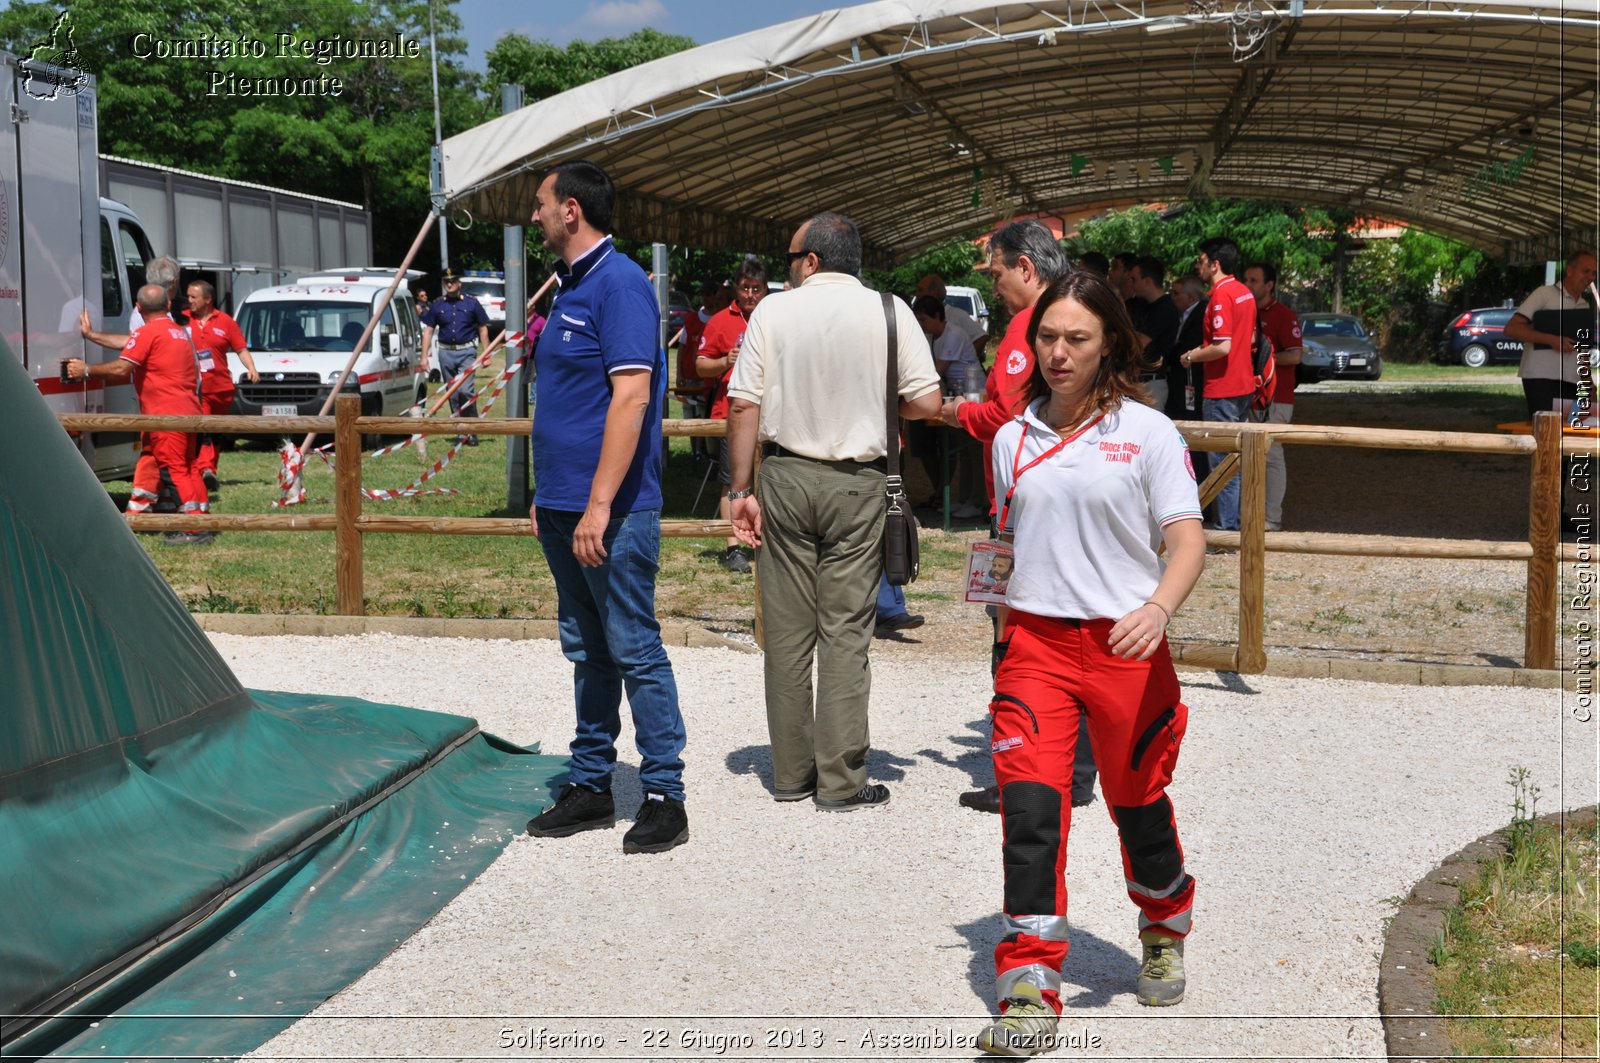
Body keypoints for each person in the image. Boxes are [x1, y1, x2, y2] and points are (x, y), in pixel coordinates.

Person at [975, 271, 1205, 1056]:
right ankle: (1029, 982)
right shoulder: (1011, 438)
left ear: (1109, 339)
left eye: (1077, 337)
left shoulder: (1148, 432)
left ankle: (1165, 924)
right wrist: (1003, 630)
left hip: (1126, 648)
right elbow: (1006, 546)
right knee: (1031, 814)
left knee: (1137, 802)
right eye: (1047, 337)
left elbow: (1186, 540)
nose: (1059, 352)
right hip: (1035, 648)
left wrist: (1158, 608)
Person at [724, 211, 941, 810]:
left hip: (785, 476)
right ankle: (841, 781)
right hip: (860, 483)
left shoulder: (772, 311)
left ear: (812, 261)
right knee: (845, 634)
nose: (788, 270)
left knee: (788, 635)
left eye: (792, 259)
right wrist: (875, 397)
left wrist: (740, 489)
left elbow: (743, 404)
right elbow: (926, 401)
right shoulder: (890, 311)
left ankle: (791, 776)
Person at [522, 160, 689, 855]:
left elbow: (632, 397)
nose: (533, 216)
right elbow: (570, 400)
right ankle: (592, 782)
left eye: (540, 204)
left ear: (571, 211)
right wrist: (547, 494)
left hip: (610, 512)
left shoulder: (619, 285)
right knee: (587, 646)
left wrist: (597, 503)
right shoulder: (572, 286)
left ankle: (663, 793)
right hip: (564, 505)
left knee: (632, 645)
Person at [939, 221, 1093, 816]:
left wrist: (954, 412)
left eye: (997, 273)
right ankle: (1074, 769)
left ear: (1026, 268)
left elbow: (1005, 416)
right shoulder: (1082, 315)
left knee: (1021, 639)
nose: (996, 285)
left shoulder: (1032, 326)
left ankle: (1028, 770)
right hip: (1070, 499)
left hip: (1028, 506)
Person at [67, 284, 212, 545]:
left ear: (138, 307)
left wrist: (86, 370)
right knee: (188, 468)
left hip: (165, 415)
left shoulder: (148, 333)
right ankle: (202, 520)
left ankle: (194, 529)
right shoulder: (177, 331)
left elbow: (123, 367)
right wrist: (92, 335)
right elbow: (130, 343)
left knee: (175, 471)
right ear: (167, 306)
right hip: (189, 410)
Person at [1178, 236, 1256, 532]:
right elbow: (1248, 339)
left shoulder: (1221, 296)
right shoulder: (1244, 293)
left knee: (1222, 463)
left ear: (1215, 263)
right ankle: (1235, 523)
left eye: (1201, 260)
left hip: (1222, 388)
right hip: (1243, 386)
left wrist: (1191, 355)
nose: (1198, 266)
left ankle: (1226, 528)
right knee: (1237, 461)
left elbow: (1222, 346)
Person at [697, 260, 767, 573]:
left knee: (768, 481)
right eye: (745, 288)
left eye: (756, 289)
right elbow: (700, 366)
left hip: (771, 414)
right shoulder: (719, 321)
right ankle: (733, 546)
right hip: (732, 413)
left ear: (765, 290)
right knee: (732, 482)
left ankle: (768, 541)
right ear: (736, 290)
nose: (750, 294)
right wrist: (726, 360)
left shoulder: (774, 317)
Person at [1242, 262, 1305, 531]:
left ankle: (1271, 518)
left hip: (1277, 398)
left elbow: (1295, 354)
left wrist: (1265, 360)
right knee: (1247, 454)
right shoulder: (1244, 312)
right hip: (1248, 396)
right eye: (1246, 279)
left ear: (1270, 285)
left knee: (1272, 455)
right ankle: (1250, 514)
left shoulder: (1283, 315)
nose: (1248, 284)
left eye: (1254, 280)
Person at [1505, 250, 1599, 417]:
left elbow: (1581, 350)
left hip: (1573, 380)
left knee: (1573, 431)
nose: (1591, 277)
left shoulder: (1584, 306)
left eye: (1594, 273)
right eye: (1586, 271)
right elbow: (1512, 328)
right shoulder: (1544, 294)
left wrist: (1589, 384)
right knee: (1547, 432)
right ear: (1569, 270)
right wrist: (1550, 339)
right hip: (1542, 377)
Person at [185, 279, 259, 492]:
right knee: (204, 428)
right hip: (197, 388)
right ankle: (205, 469)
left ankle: (210, 471)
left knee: (217, 430)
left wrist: (252, 368)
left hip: (222, 387)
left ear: (208, 299)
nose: (189, 300)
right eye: (188, 296)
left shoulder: (225, 321)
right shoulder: (183, 319)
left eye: (193, 297)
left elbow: (240, 349)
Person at [421, 268, 490, 445]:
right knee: (452, 394)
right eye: (446, 281)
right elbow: (428, 331)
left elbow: (482, 328)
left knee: (466, 391)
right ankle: (459, 431)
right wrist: (424, 357)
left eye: (452, 281)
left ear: (459, 283)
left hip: (467, 352)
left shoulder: (472, 303)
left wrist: (486, 354)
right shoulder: (437, 305)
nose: (449, 284)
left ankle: (472, 430)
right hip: (445, 353)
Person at [1128, 257, 1179, 412]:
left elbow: (1139, 343)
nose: (1131, 284)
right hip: (1138, 382)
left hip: (1152, 384)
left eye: (1134, 279)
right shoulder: (1143, 305)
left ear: (1147, 281)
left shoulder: (1165, 308)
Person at [915, 272, 989, 363]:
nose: (916, 294)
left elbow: (982, 337)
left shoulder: (957, 315)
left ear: (934, 293)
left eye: (920, 290)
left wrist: (964, 360)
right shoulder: (917, 315)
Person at [1167, 274, 1207, 422]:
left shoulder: (1202, 314)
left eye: (1176, 293)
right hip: (1179, 381)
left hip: (1192, 378)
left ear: (1191, 298)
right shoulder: (1181, 315)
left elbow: (1188, 346)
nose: (1172, 297)